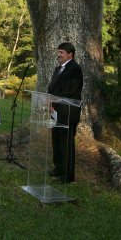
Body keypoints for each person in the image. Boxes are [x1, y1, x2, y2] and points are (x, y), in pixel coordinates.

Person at [48, 42, 83, 184]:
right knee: (56, 139)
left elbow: (70, 90)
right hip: (55, 110)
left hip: (68, 111)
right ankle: (58, 168)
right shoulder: (58, 69)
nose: (59, 55)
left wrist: (53, 102)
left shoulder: (75, 69)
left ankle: (67, 176)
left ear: (70, 54)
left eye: (61, 52)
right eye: (58, 52)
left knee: (66, 143)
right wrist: (49, 102)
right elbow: (52, 87)